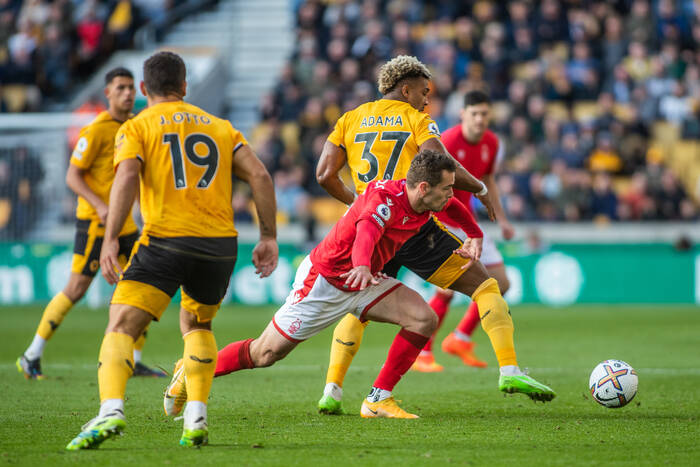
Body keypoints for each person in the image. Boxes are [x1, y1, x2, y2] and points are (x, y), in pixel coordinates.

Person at [314, 55, 555, 414]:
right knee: (486, 286)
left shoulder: (349, 119)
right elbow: (442, 164)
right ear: (406, 89)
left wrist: (359, 203)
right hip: (410, 225)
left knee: (357, 307)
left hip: (371, 227)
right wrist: (480, 189)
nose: (427, 100)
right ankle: (508, 369)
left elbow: (323, 174)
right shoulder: (416, 119)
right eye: (424, 92)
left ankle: (332, 391)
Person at [164, 150, 484, 419]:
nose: (452, 194)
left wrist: (475, 233)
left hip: (365, 280)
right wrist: (360, 264)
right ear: (425, 187)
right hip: (327, 281)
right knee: (265, 353)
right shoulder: (385, 201)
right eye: (447, 188)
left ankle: (377, 399)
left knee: (423, 319)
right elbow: (366, 234)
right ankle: (191, 368)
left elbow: (453, 206)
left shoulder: (424, 200)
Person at [66, 51, 278, 449]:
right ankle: (195, 418)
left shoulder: (137, 125)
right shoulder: (220, 127)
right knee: (197, 326)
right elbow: (260, 175)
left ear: (145, 90)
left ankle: (111, 411)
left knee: (121, 325)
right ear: (184, 87)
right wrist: (268, 236)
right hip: (219, 245)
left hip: (166, 239)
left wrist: (111, 236)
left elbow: (127, 174)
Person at [16, 67, 164, 380]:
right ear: (107, 93)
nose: (126, 93)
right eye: (120, 88)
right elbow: (72, 175)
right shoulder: (96, 129)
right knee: (77, 287)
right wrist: (99, 205)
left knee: (141, 284)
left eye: (129, 87)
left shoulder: (136, 127)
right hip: (96, 224)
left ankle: (134, 360)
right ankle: (32, 354)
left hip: (126, 226)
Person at [415, 90, 515, 372]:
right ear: (463, 114)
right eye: (475, 113)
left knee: (502, 283)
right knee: (445, 290)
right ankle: (422, 352)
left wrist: (503, 220)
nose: (480, 119)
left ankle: (459, 338)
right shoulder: (444, 141)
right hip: (441, 222)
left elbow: (488, 181)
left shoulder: (492, 143)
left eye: (485, 114)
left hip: (469, 223)